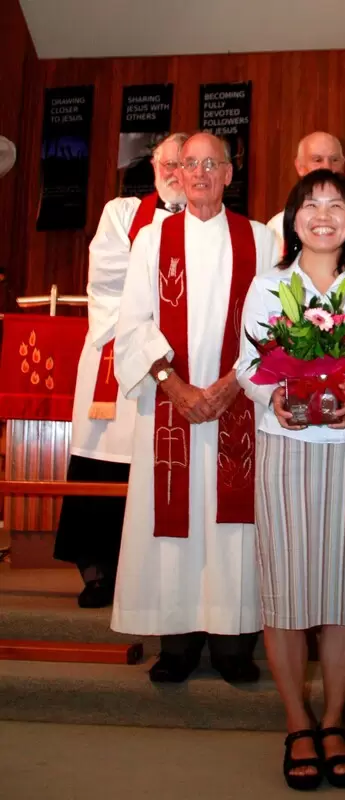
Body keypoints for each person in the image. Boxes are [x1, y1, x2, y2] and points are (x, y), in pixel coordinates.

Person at [237, 169, 345, 791]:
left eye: (336, 205)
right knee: (287, 588)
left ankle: (333, 722)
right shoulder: (268, 285)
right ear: (291, 218)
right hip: (287, 446)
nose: (323, 214)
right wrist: (275, 395)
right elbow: (249, 364)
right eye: (310, 204)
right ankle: (297, 722)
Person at [111, 132, 279, 684]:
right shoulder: (152, 242)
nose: (201, 173)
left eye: (214, 163)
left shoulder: (262, 240)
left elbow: (273, 330)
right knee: (172, 520)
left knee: (234, 522)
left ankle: (233, 641)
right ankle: (177, 640)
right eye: (191, 164)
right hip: (171, 409)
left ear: (230, 174)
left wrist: (232, 384)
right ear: (177, 174)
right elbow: (133, 324)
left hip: (240, 406)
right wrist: (176, 387)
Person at [54, 133, 188, 608]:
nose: (174, 172)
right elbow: (108, 278)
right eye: (167, 163)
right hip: (118, 354)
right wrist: (146, 331)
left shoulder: (207, 221)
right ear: (153, 166)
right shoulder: (122, 213)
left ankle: (161, 574)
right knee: (103, 458)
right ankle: (99, 571)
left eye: (184, 163)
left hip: (176, 363)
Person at [267, 132, 345, 254]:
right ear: (300, 167)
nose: (327, 167)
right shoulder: (278, 228)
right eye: (317, 160)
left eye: (334, 160)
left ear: (343, 164)